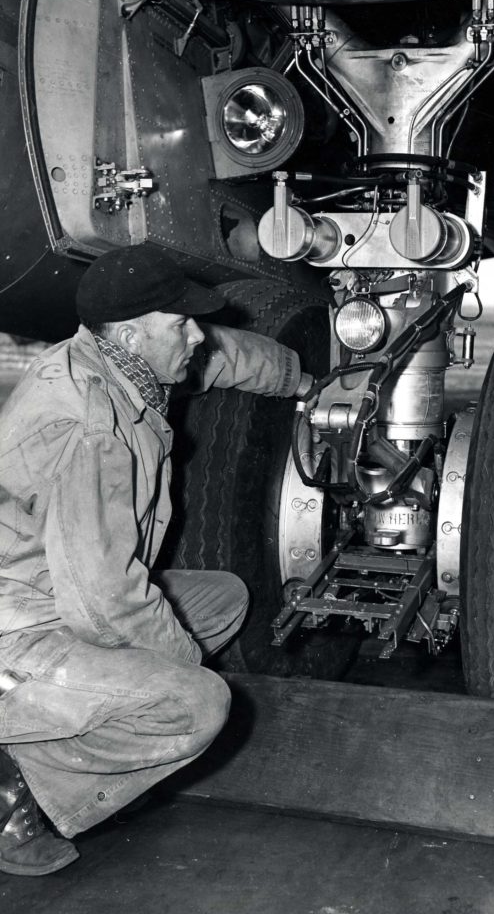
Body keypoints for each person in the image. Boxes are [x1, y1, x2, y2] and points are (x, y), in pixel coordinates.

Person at [0, 243, 313, 876]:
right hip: (20, 626)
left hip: (50, 586)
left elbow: (223, 356)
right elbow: (103, 597)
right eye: (181, 325)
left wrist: (304, 381)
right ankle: (20, 790)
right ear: (130, 332)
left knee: (222, 598)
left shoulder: (121, 361)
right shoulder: (92, 424)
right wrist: (184, 669)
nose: (196, 336)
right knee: (195, 704)